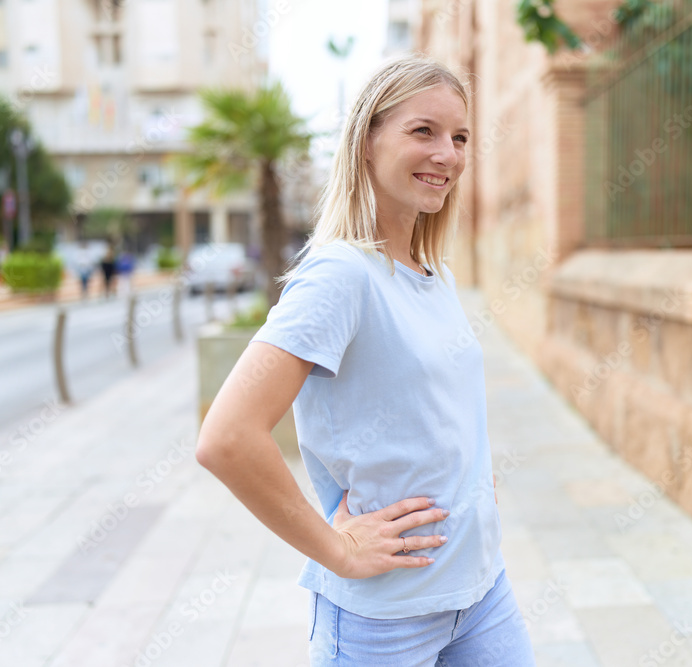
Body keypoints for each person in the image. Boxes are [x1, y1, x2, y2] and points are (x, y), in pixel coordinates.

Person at [196, 54, 535, 666]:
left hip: (481, 593)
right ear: (366, 143)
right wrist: (336, 549)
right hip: (384, 619)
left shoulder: (434, 276)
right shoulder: (340, 275)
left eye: (459, 137)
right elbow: (226, 437)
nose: (448, 154)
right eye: (422, 131)